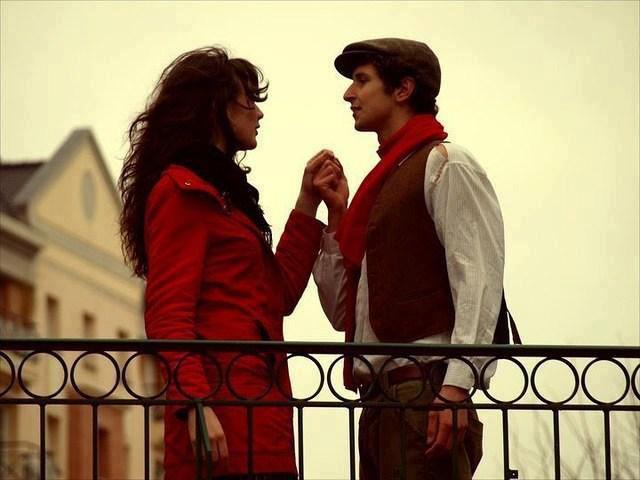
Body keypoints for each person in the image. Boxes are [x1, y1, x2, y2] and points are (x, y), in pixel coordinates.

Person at [118, 46, 341, 479]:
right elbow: (168, 312)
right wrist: (195, 404)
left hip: (261, 412)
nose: (258, 112)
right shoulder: (182, 192)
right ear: (216, 108)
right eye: (248, 101)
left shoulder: (226, 199)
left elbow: (276, 296)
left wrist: (307, 203)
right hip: (222, 416)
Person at [313, 38, 505, 479]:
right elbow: (343, 313)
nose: (349, 94)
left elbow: (478, 277)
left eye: (362, 80)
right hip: (382, 404)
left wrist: (456, 387)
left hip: (425, 394)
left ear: (402, 89)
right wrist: (338, 216)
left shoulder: (447, 163)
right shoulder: (381, 187)